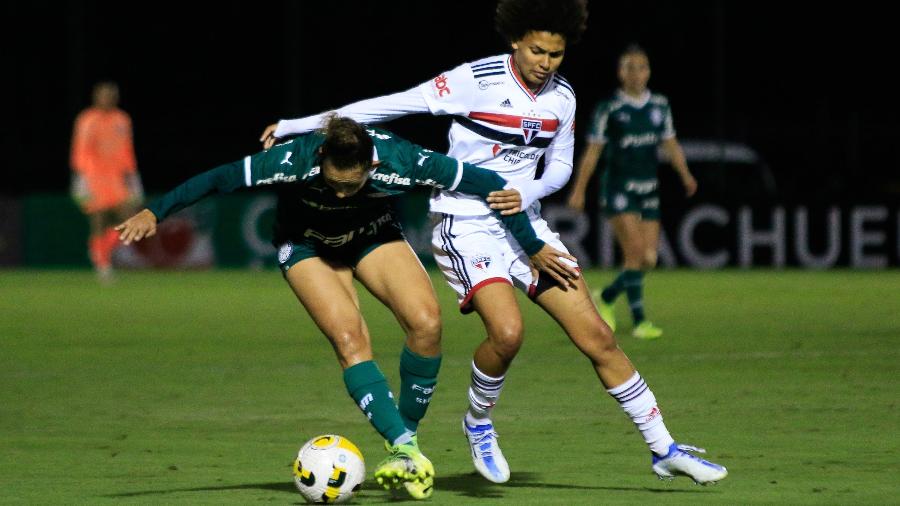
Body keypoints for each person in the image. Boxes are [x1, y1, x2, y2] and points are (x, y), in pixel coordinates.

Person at [260, 0, 726, 486]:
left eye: (557, 54)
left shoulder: (562, 97)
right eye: (538, 51)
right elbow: (394, 103)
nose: (546, 63)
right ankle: (479, 422)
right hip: (465, 222)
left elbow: (562, 166)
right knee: (507, 334)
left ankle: (663, 449)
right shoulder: (475, 80)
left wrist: (529, 191)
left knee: (599, 338)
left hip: (526, 225)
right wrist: (300, 125)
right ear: (515, 43)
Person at [116, 116, 575, 500]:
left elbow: (489, 183)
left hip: (372, 235)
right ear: (321, 159)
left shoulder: (401, 160)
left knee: (427, 323)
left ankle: (405, 446)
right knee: (350, 338)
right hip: (307, 246)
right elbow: (218, 178)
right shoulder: (292, 158)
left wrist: (532, 244)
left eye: (350, 186)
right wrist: (155, 212)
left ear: (370, 164)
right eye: (333, 184)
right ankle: (404, 444)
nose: (339, 195)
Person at [567, 44, 697, 339]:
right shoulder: (610, 108)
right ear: (620, 73)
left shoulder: (660, 106)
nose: (636, 74)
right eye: (630, 67)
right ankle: (640, 322)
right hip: (618, 189)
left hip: (648, 189)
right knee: (635, 253)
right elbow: (593, 152)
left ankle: (607, 298)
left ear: (648, 72)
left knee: (649, 258)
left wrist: (685, 174)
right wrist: (579, 190)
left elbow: (671, 144)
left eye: (641, 67)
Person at [70, 81, 144, 280]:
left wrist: (134, 178)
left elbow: (127, 149)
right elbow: (81, 149)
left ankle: (99, 250)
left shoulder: (122, 119)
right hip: (94, 176)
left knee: (130, 219)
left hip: (118, 177)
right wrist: (80, 178)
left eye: (112, 95)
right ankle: (102, 265)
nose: (108, 98)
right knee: (99, 221)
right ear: (96, 97)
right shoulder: (87, 119)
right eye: (104, 95)